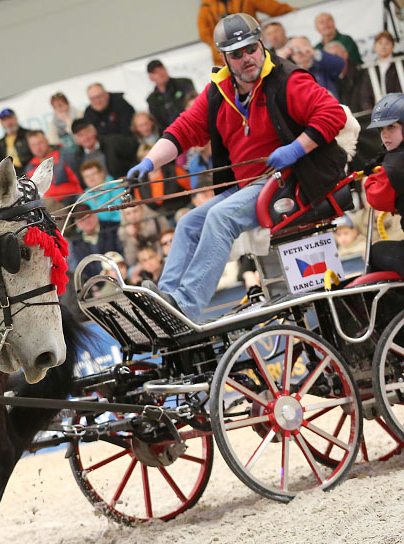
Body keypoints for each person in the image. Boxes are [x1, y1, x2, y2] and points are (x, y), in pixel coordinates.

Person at [131, 13, 347, 321]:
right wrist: (149, 162)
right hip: (248, 187)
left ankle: (186, 307)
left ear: (261, 45)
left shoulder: (288, 79)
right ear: (224, 58)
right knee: (188, 223)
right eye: (236, 53)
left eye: (251, 48)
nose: (247, 57)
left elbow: (332, 113)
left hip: (291, 180)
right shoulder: (218, 92)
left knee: (220, 217)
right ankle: (165, 306)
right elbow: (183, 130)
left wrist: (295, 149)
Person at [363, 94, 404, 275]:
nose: (385, 134)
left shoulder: (393, 166)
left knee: (373, 252)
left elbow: (377, 200)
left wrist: (369, 179)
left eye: (391, 127)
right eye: (381, 129)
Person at [198, 0, 295, 66]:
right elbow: (204, 33)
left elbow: (272, 7)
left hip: (252, 49)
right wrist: (221, 48)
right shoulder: (206, 7)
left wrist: (291, 11)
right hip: (226, 58)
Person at [278, 35, 345, 98]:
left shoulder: (322, 66)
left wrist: (313, 52)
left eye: (302, 47)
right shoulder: (289, 72)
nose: (298, 52)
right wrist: (280, 60)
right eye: (294, 49)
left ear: (310, 47)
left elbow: (340, 64)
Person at [24, 130, 83, 200]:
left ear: (47, 141)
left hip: (70, 199)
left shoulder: (64, 157)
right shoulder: (30, 168)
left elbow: (78, 185)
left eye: (40, 143)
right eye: (33, 145)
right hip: (46, 205)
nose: (37, 147)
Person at [146, 60, 196, 129]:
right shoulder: (152, 100)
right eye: (155, 72)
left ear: (166, 70)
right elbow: (158, 123)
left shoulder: (184, 83)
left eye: (161, 69)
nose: (160, 73)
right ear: (151, 78)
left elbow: (194, 104)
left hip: (193, 124)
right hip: (173, 134)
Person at [80, 161, 127, 226]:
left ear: (102, 173)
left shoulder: (116, 188)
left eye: (93, 174)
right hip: (95, 229)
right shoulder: (84, 195)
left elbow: (122, 213)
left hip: (115, 226)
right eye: (87, 176)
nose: (91, 179)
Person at [0, 108, 33, 174]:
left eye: (10, 118)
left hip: (30, 172)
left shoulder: (28, 135)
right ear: (2, 123)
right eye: (5, 120)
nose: (8, 122)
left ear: (16, 118)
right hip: (10, 177)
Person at [373, 31, 402, 96]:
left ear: (393, 46)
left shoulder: (401, 64)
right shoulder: (371, 68)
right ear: (374, 46)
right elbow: (365, 93)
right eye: (380, 43)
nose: (383, 46)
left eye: (387, 43)